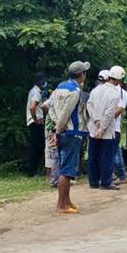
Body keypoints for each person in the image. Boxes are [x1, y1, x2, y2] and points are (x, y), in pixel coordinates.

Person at [47, 61, 90, 214]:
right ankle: (61, 204)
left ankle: (66, 201)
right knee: (67, 170)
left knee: (65, 166)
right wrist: (59, 129)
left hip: (62, 131)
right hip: (71, 133)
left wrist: (55, 125)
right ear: (81, 74)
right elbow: (67, 112)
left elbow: (49, 106)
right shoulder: (75, 91)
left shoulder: (60, 87)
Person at [87, 67, 123, 191]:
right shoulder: (115, 94)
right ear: (119, 80)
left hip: (93, 127)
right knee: (107, 156)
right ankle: (106, 182)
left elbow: (89, 105)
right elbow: (109, 114)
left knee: (93, 155)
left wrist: (96, 121)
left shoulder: (96, 89)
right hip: (106, 131)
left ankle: (93, 181)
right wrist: (102, 128)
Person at [24, 72, 46, 176]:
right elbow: (32, 106)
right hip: (35, 123)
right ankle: (32, 171)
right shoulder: (36, 92)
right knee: (38, 147)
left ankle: (33, 170)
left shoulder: (33, 91)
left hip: (33, 122)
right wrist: (35, 118)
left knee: (36, 146)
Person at [112, 71, 127, 185]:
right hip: (111, 127)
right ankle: (120, 174)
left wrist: (104, 122)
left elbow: (118, 111)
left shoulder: (121, 93)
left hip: (111, 127)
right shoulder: (122, 93)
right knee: (115, 151)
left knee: (115, 151)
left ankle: (120, 174)